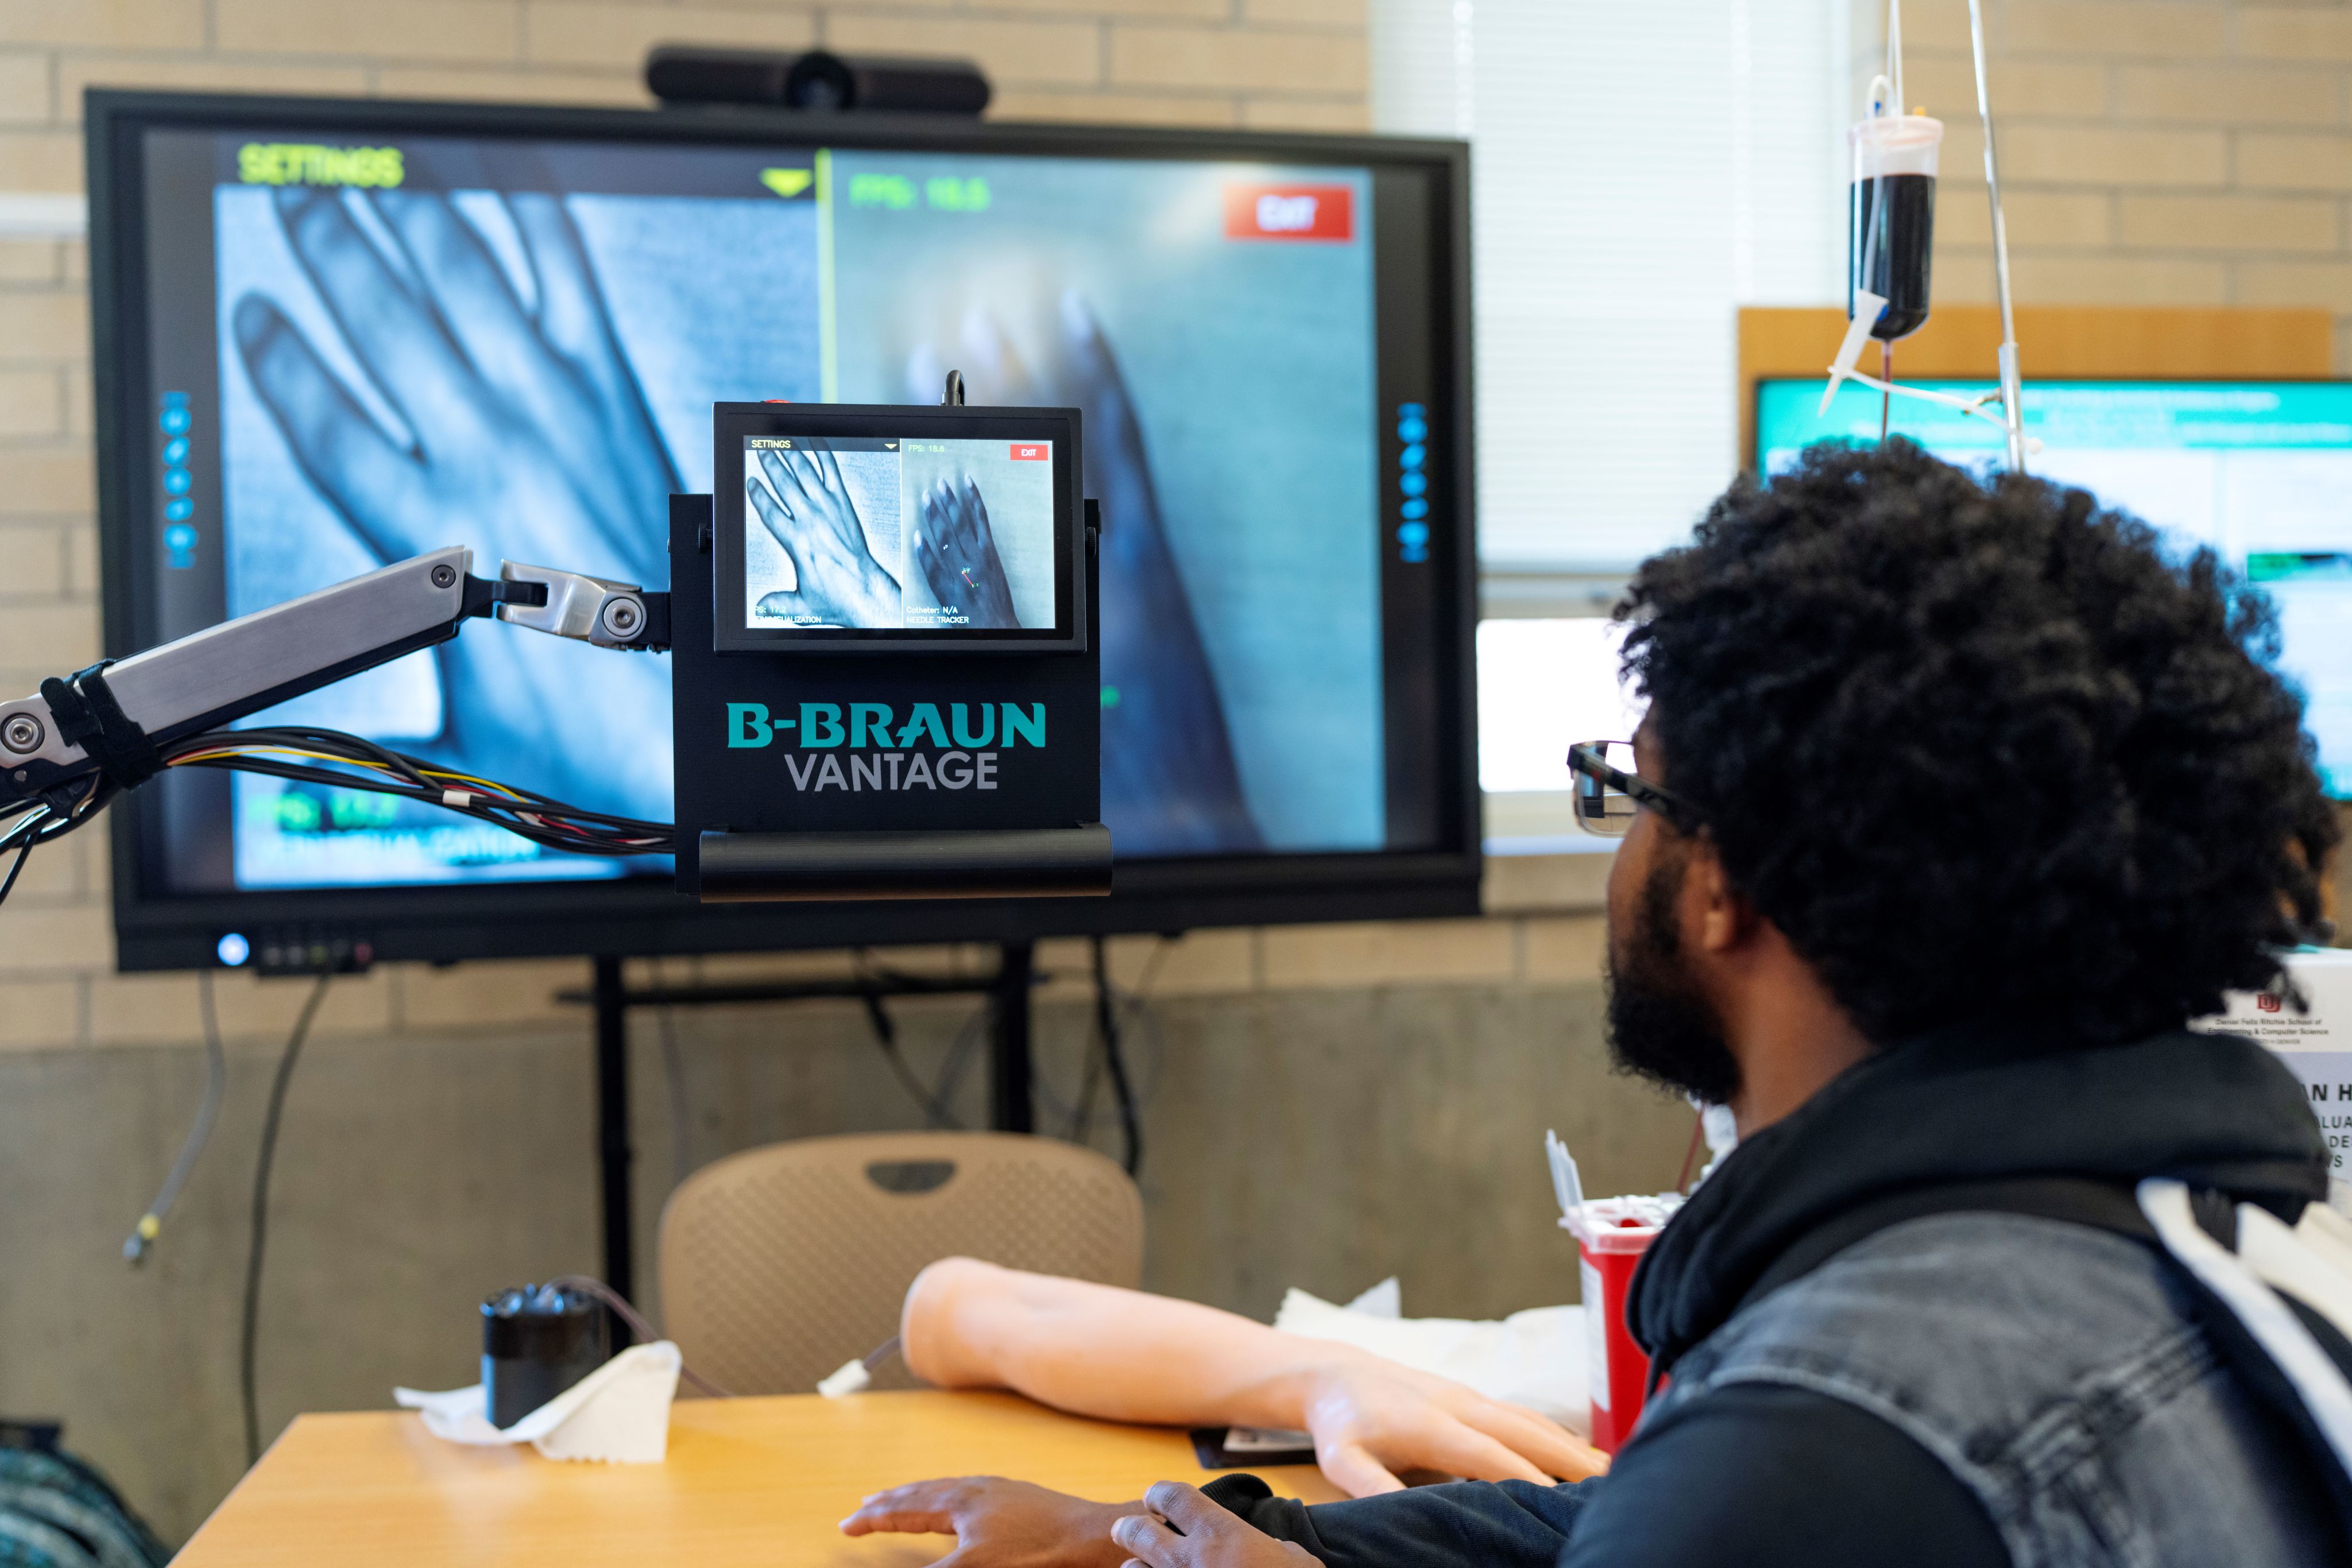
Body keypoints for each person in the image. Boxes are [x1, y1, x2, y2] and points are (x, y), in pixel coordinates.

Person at [839, 439, 2346, 1567]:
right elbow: (1636, 1514)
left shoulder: (1824, 1451)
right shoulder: (2218, 1258)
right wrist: (1260, 1541)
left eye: (1627, 792)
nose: (1616, 845)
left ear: (1720, 882)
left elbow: (1714, 1510)